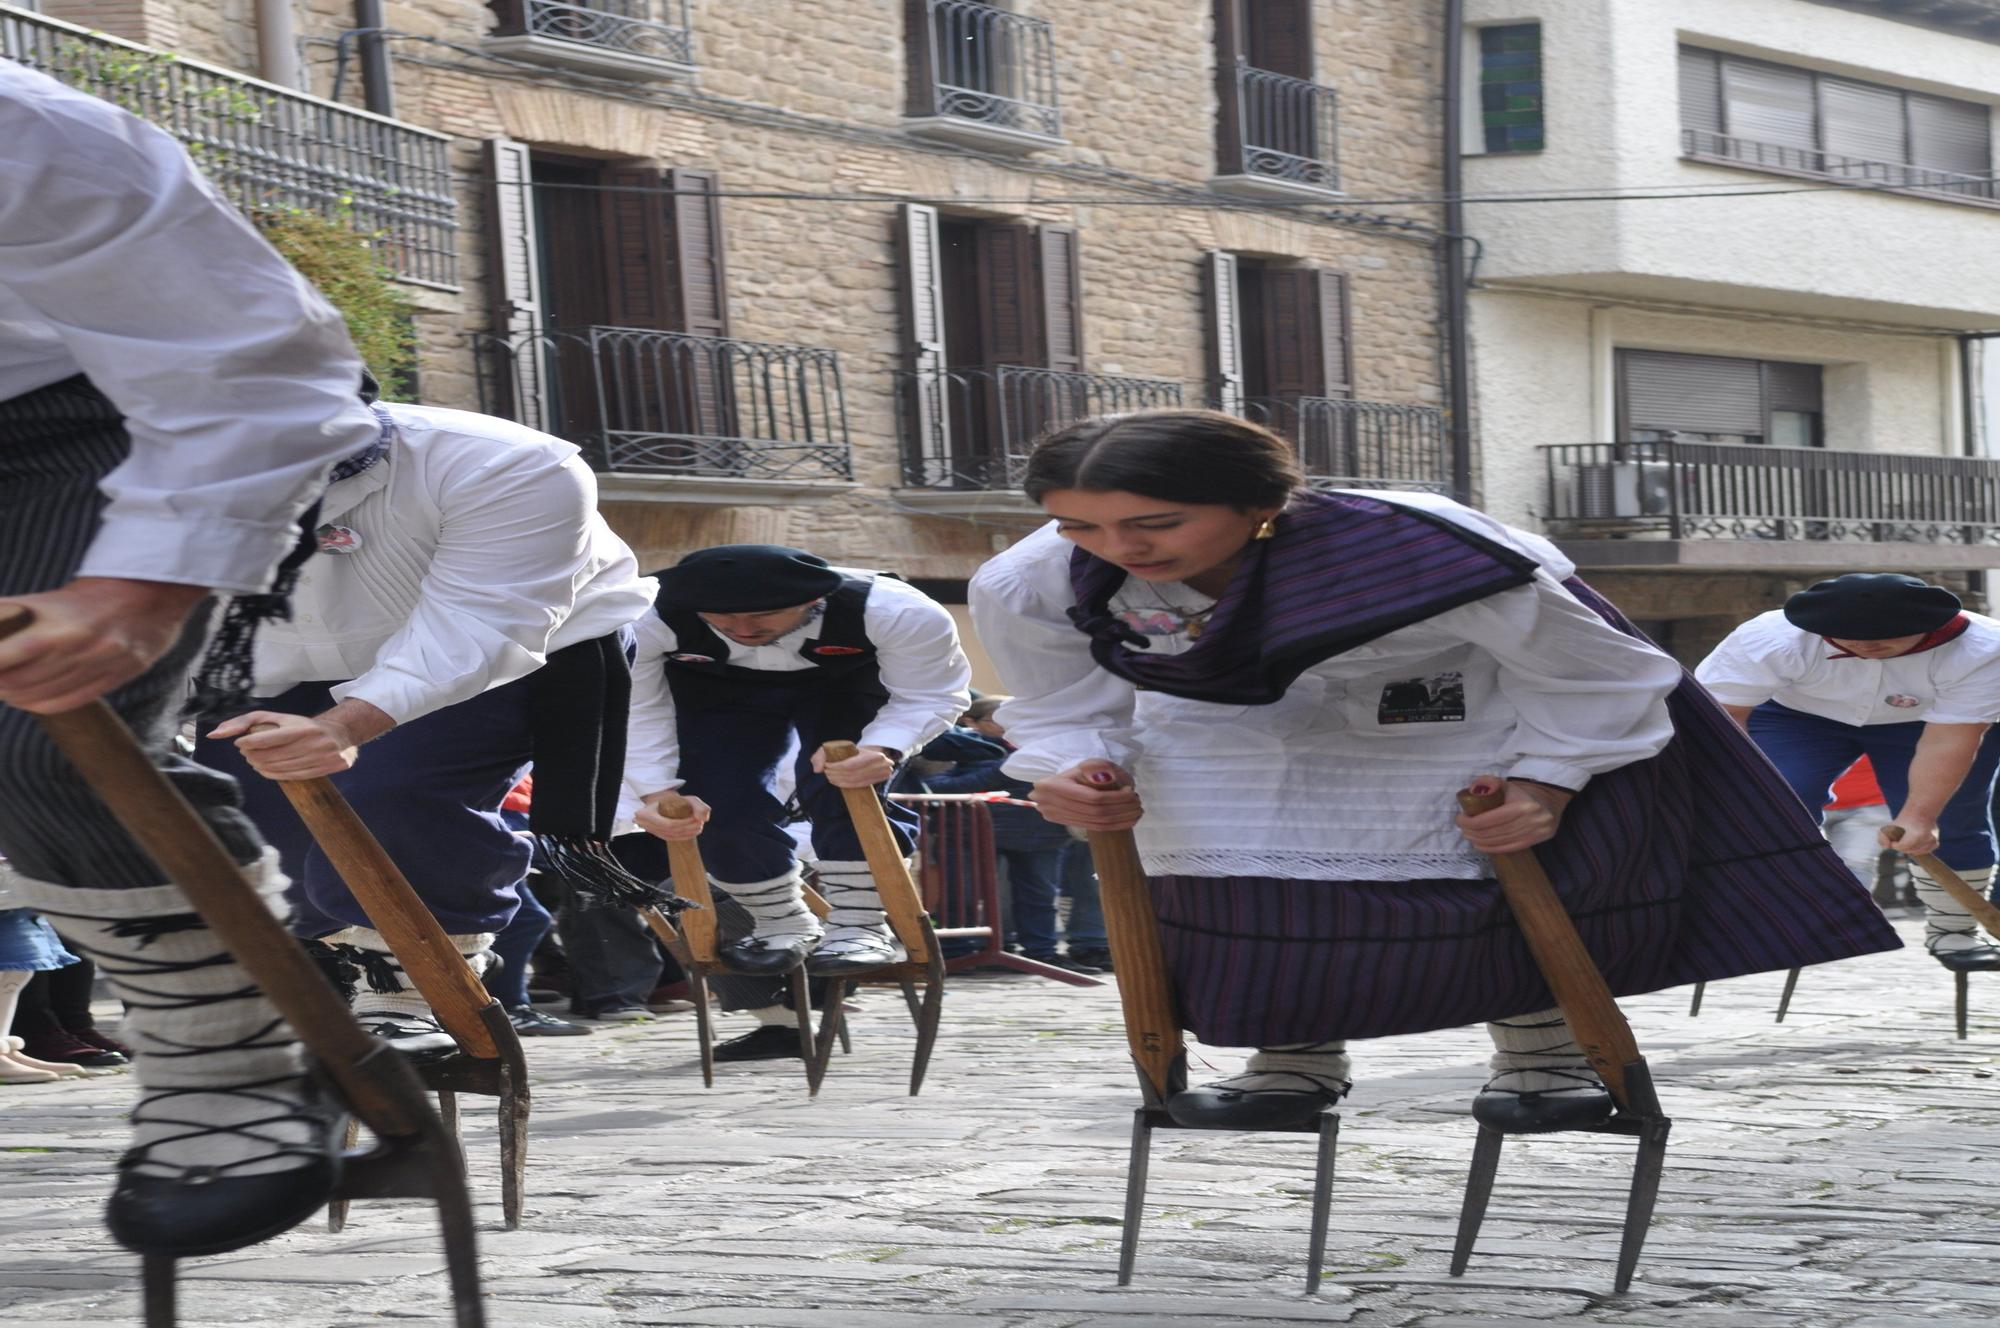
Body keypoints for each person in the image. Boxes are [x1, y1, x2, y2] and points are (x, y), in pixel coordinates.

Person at [968, 411, 1900, 1133]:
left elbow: (1599, 672)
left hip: (1452, 717)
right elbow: (1059, 704)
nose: (1118, 549)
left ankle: (1547, 1052)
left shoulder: (1426, 549)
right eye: (1081, 527)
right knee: (1242, 892)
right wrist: (1071, 769)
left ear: (1260, 505)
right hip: (1219, 734)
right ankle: (1290, 1062)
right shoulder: (1034, 579)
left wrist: (1548, 781)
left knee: (1490, 882)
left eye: (1154, 523)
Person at [0, 62, 380, 1257]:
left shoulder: (33, 135)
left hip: (71, 421)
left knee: (50, 744)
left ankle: (234, 1058)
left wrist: (136, 590)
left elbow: (253, 367)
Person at [194, 393, 657, 1056]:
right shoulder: (134, 479)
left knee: (401, 789)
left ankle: (410, 981)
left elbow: (475, 629)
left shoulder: (512, 464)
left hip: (514, 640)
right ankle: (356, 959)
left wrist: (343, 726)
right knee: (239, 809)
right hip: (279, 654)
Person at [626, 545, 970, 1059]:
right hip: (714, 690)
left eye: (762, 614)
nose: (742, 628)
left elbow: (932, 692)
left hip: (845, 683)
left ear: (814, 601)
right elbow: (636, 707)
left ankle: (860, 926)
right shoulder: (643, 615)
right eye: (723, 617)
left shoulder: (896, 611)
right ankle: (781, 923)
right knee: (716, 803)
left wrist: (886, 747)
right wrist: (657, 791)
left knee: (843, 786)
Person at [1696, 576, 2000, 970]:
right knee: (1771, 801)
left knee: (1949, 820)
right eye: (1848, 639)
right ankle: (1777, 914)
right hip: (1798, 717)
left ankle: (1954, 931)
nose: (1865, 646)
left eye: (1883, 639)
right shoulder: (1769, 638)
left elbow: (1950, 738)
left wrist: (1919, 815)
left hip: (1927, 721)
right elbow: (1721, 716)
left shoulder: (1982, 648)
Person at [915, 699, 1099, 973]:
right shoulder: (959, 746)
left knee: (1039, 896)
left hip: (1042, 834)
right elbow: (931, 785)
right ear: (972, 722)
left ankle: (1042, 952)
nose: (1011, 726)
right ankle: (958, 952)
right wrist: (999, 773)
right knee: (961, 894)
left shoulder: (1049, 747)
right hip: (969, 834)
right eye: (1000, 719)